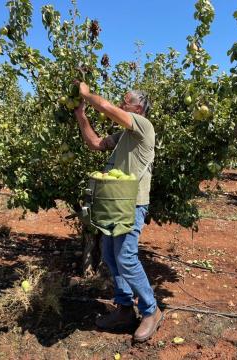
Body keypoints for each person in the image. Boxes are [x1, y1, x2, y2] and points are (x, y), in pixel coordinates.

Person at [73, 82, 163, 343]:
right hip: (115, 202)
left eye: (125, 102)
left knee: (126, 256)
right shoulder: (124, 136)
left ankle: (151, 310)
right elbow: (96, 143)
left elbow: (109, 108)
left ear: (137, 107)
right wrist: (81, 115)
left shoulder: (144, 126)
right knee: (111, 256)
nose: (121, 105)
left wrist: (87, 94)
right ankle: (125, 309)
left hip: (133, 203)